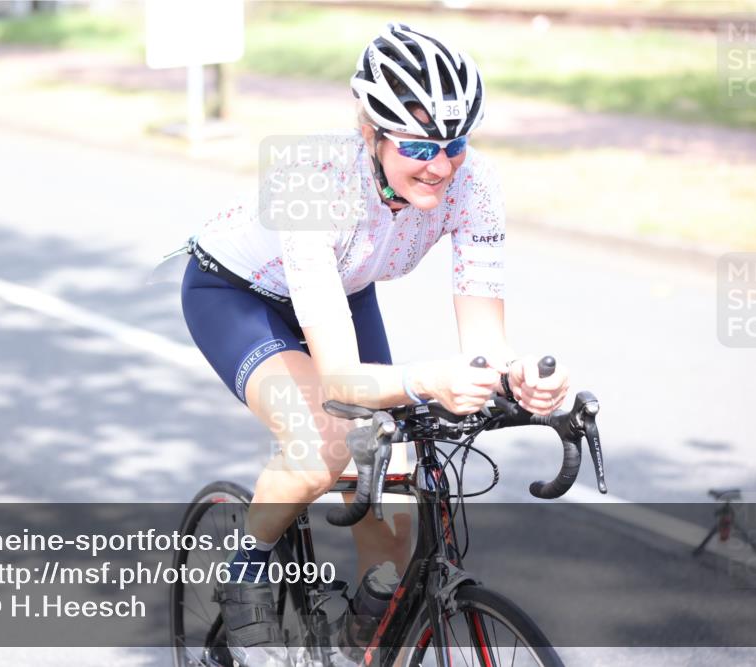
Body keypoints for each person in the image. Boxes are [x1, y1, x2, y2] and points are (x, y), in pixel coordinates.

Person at [179, 22, 570, 666]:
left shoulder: (475, 185)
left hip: (342, 288)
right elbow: (341, 382)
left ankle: (355, 648)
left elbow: (485, 345)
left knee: (392, 519)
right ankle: (245, 572)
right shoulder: (313, 178)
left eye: (454, 144)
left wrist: (518, 378)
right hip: (238, 294)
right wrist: (429, 381)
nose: (440, 166)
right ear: (371, 132)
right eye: (417, 145)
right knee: (324, 448)